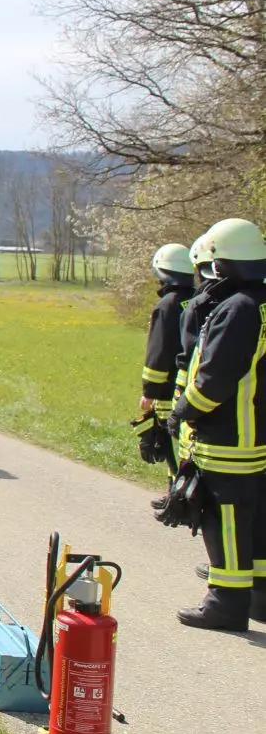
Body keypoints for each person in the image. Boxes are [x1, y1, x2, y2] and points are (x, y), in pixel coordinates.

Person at [166, 217, 266, 630]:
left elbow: (215, 379)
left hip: (228, 437)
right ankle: (258, 598)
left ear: (221, 264)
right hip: (256, 434)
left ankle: (225, 602)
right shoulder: (259, 302)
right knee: (254, 519)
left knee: (222, 518)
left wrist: (181, 412)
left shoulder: (238, 309)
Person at [137, 243, 195, 457]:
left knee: (169, 447)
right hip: (194, 388)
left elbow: (158, 353)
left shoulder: (166, 305)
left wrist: (149, 392)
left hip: (168, 391)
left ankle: (173, 487)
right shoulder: (198, 299)